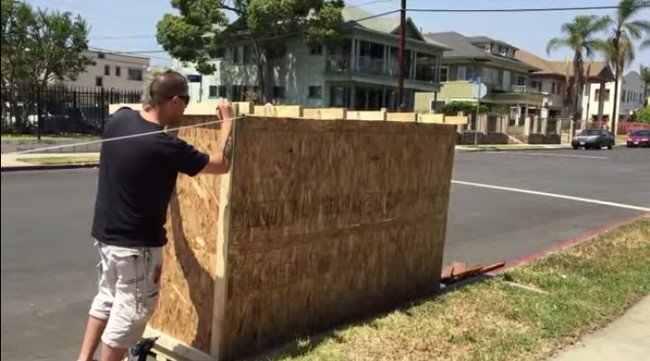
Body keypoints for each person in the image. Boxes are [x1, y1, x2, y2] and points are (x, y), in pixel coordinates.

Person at [77, 69, 234, 361]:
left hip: (106, 238)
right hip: (136, 249)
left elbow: (132, 119)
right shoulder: (164, 146)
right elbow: (221, 163)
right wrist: (226, 122)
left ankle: (83, 359)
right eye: (185, 103)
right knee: (130, 314)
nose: (185, 109)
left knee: (108, 299)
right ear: (174, 101)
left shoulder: (118, 120)